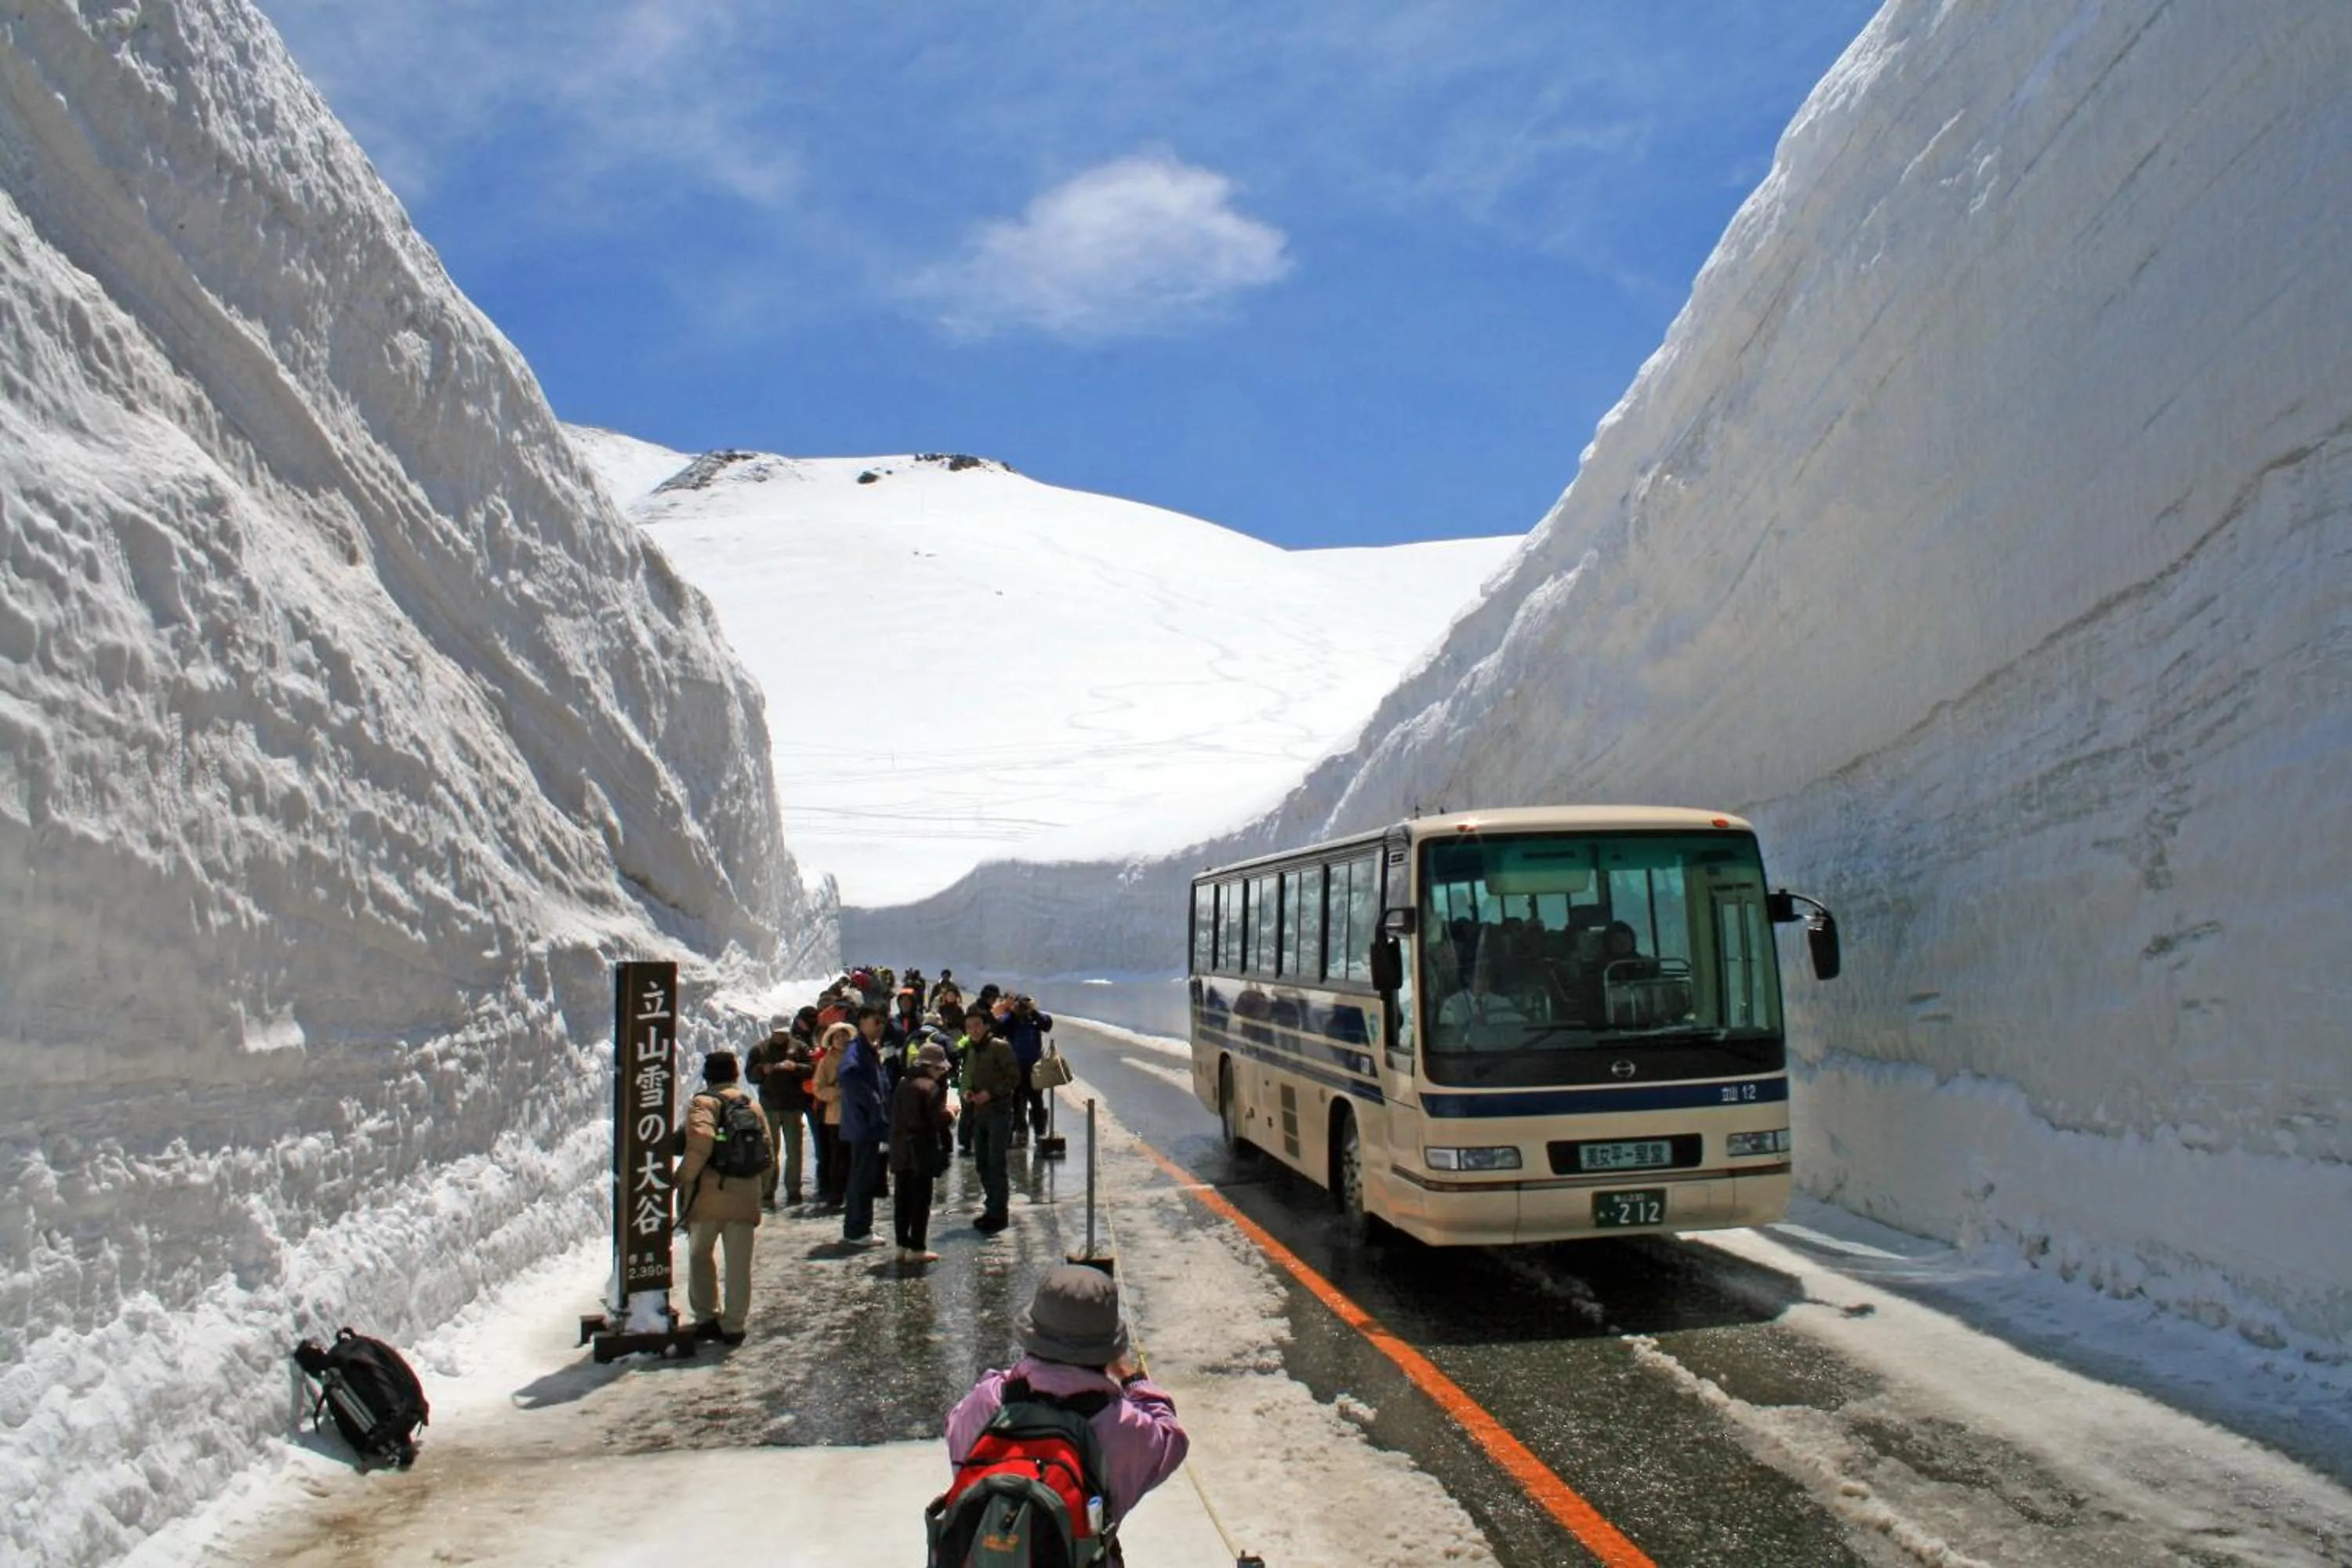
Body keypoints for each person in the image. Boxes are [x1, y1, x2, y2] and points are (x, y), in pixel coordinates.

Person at [942, 1265, 1189, 1551]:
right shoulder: (1121, 1426)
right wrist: (1132, 1378)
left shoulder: (989, 1401)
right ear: (1108, 1350)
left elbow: (956, 1434)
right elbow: (1172, 1438)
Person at [678, 1051, 763, 1345]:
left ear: (707, 1076)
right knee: (739, 1264)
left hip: (708, 1196)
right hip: (745, 1194)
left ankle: (706, 1317)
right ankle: (734, 1324)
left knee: (700, 1255)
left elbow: (701, 1142)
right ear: (735, 1074)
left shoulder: (703, 1102)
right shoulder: (751, 1104)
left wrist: (683, 1178)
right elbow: (768, 1151)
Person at [891, 1040, 956, 1261]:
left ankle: (901, 1245)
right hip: (920, 1151)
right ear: (932, 1067)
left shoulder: (902, 1083)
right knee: (920, 1201)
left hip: (901, 1150)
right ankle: (917, 1247)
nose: (940, 1073)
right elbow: (934, 1120)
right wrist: (950, 1114)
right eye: (940, 1069)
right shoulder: (930, 1087)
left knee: (903, 1200)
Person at [746, 1011, 815, 1208]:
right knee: (770, 1150)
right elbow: (750, 1075)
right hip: (770, 1106)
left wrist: (795, 1067)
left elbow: (812, 1069)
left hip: (793, 1106)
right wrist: (762, 1071)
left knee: (794, 1150)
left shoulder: (799, 1047)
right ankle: (768, 1190)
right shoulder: (759, 1049)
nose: (780, 1036)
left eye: (783, 1033)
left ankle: (794, 1189)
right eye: (777, 1033)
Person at [960, 1006, 1020, 1233]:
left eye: (977, 1025)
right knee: (982, 1162)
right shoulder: (973, 1049)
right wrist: (968, 1092)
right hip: (979, 1112)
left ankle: (998, 1213)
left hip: (999, 1111)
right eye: (969, 1027)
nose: (973, 1030)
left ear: (986, 1025)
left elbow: (1014, 1077)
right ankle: (991, 1206)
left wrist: (992, 1093)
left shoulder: (999, 1047)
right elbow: (969, 1076)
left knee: (996, 1163)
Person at [839, 1007, 891, 1246]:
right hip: (863, 1126)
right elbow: (848, 1076)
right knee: (861, 1177)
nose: (880, 1026)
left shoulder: (869, 1049)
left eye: (883, 1022)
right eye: (875, 1021)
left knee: (867, 1176)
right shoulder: (856, 1049)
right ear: (862, 1022)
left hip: (869, 1126)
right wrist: (873, 1100)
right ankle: (857, 1229)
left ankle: (862, 1226)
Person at [999, 995, 1055, 1148]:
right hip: (1015, 1067)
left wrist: (1034, 1012)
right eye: (1021, 1006)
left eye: (1026, 1006)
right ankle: (1021, 1130)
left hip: (1033, 1067)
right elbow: (1001, 1026)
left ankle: (1039, 1133)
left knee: (1036, 1101)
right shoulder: (1011, 1020)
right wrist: (1012, 1012)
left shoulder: (1035, 1020)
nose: (1023, 1009)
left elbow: (1048, 1024)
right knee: (1017, 1101)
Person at [812, 1020, 853, 1207]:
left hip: (855, 1114)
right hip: (835, 1115)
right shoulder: (826, 1061)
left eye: (844, 1036)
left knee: (854, 1157)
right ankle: (836, 1194)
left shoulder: (857, 1056)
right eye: (837, 1037)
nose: (841, 1040)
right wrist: (837, 1093)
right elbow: (818, 1088)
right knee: (838, 1157)